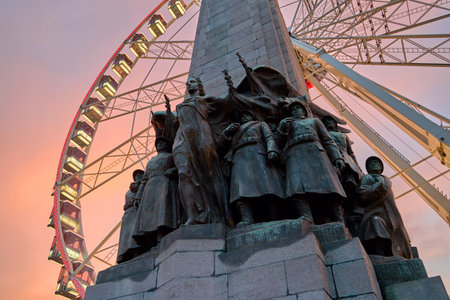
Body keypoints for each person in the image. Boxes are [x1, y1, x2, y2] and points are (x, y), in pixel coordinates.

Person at [172, 77, 231, 225]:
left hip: (202, 136)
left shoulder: (206, 100)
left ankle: (223, 214)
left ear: (199, 85)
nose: (188, 84)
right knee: (183, 173)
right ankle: (193, 215)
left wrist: (232, 86)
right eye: (187, 83)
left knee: (211, 175)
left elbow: (228, 102)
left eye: (191, 82)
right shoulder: (180, 106)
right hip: (183, 139)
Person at [278, 101, 346, 226]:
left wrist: (337, 158)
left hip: (315, 152)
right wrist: (282, 130)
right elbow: (279, 144)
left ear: (304, 111)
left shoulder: (314, 121)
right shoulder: (286, 124)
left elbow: (327, 140)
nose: (296, 110)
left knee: (329, 185)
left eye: (299, 107)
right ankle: (306, 215)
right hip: (294, 154)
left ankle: (338, 218)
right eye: (293, 109)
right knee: (297, 186)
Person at [221, 110, 284, 227]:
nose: (244, 117)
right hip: (239, 158)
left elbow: (269, 137)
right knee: (240, 190)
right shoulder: (235, 130)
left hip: (257, 155)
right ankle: (247, 218)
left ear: (252, 115)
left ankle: (274, 216)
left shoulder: (260, 124)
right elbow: (222, 145)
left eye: (247, 114)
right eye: (242, 115)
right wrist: (226, 132)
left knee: (267, 187)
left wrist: (271, 150)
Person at [357, 156, 412, 258]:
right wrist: (378, 185)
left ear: (381, 167)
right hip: (375, 212)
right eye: (371, 163)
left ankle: (395, 254)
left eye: (376, 162)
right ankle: (380, 252)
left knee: (398, 235)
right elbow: (363, 194)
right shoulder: (367, 178)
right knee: (375, 224)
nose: (373, 164)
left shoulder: (385, 180)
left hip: (391, 214)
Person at [133, 137, 179, 249]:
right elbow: (144, 179)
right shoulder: (150, 161)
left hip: (164, 183)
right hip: (150, 187)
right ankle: (151, 241)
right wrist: (139, 195)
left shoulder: (170, 156)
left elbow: (179, 166)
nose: (160, 144)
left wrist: (173, 171)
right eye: (158, 143)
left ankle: (161, 237)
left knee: (162, 212)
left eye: (163, 142)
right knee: (149, 215)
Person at [322, 115, 363, 194]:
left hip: (345, 155)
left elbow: (350, 152)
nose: (328, 122)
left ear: (335, 124)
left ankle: (350, 180)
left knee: (348, 165)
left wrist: (357, 166)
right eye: (326, 121)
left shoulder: (343, 135)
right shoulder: (324, 134)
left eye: (330, 121)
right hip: (331, 156)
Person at [117, 169, 144, 263]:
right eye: (136, 175)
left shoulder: (144, 187)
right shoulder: (129, 191)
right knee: (125, 237)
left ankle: (136, 252)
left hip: (137, 212)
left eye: (140, 175)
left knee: (134, 234)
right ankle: (124, 255)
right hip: (128, 214)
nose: (138, 177)